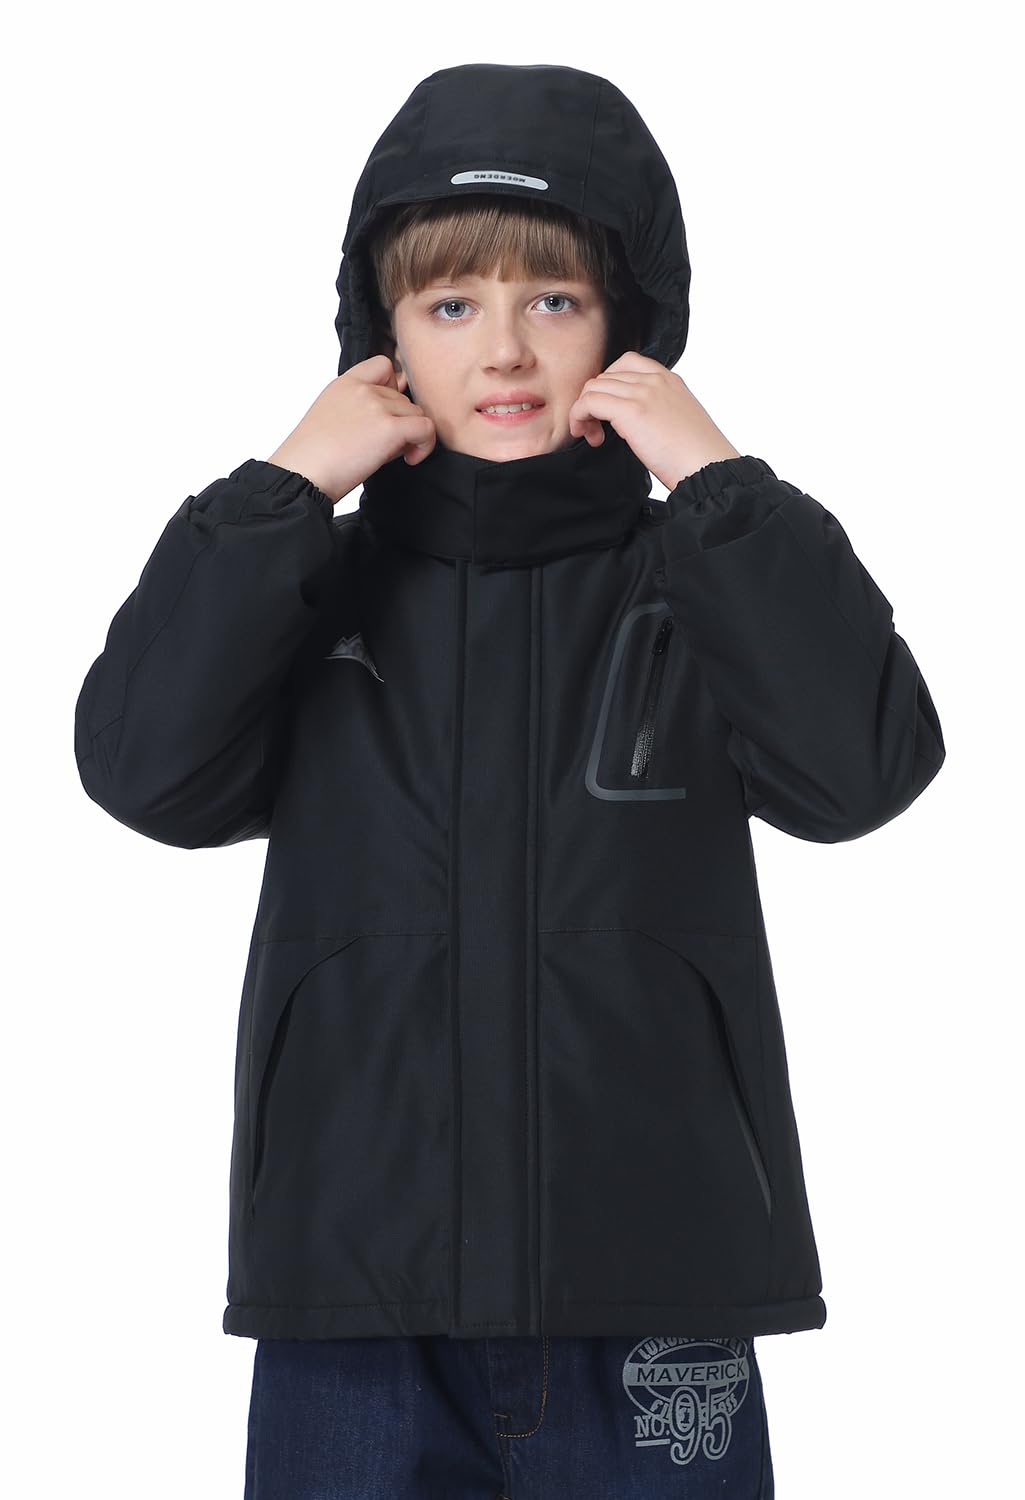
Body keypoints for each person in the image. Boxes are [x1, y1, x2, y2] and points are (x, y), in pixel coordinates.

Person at [73, 62, 946, 1500]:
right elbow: (143, 771)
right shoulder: (311, 585)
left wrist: (719, 484)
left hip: (655, 1283)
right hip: (355, 1301)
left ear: (625, 328)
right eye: (449, 306)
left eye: (551, 300)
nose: (502, 352)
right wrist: (283, 491)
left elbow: (859, 772)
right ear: (382, 342)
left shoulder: (696, 584)